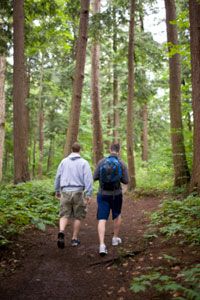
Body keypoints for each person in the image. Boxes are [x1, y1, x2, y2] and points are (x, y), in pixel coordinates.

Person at [55, 142, 93, 249]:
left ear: (71, 150)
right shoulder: (84, 163)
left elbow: (58, 176)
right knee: (78, 216)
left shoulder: (63, 162)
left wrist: (57, 190)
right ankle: (74, 238)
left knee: (64, 214)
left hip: (65, 192)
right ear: (79, 150)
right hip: (78, 192)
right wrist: (89, 193)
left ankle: (61, 232)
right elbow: (88, 179)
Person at [93, 143, 129, 256]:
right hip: (116, 194)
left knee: (102, 218)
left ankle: (102, 245)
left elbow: (94, 177)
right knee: (117, 215)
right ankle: (115, 238)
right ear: (119, 151)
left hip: (102, 194)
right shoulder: (122, 163)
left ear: (110, 150)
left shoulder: (101, 162)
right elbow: (126, 181)